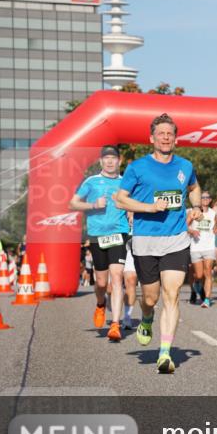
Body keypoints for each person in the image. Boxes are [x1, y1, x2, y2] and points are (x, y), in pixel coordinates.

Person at [115, 113, 201, 374]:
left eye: (170, 134)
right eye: (161, 134)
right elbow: (120, 199)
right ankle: (147, 317)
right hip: (145, 240)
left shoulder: (185, 166)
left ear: (176, 139)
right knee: (151, 297)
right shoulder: (137, 167)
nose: (165, 138)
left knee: (171, 294)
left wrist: (196, 207)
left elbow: (194, 188)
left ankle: (165, 353)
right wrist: (149, 208)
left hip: (176, 239)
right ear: (151, 138)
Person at [69, 145, 131, 341]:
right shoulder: (91, 181)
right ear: (101, 161)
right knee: (102, 283)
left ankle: (115, 324)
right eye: (106, 158)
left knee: (117, 277)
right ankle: (100, 304)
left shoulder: (125, 182)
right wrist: (93, 204)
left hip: (119, 233)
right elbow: (73, 203)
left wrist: (130, 212)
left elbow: (132, 203)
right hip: (97, 235)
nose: (110, 161)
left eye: (113, 158)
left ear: (119, 161)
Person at [188, 190, 217, 307]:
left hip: (209, 246)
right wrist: (192, 231)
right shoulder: (192, 212)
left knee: (208, 272)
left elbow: (215, 227)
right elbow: (185, 225)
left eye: (207, 197)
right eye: (202, 197)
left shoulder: (213, 213)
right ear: (199, 199)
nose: (205, 199)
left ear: (210, 200)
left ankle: (207, 299)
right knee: (199, 275)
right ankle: (196, 286)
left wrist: (216, 230)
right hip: (195, 247)